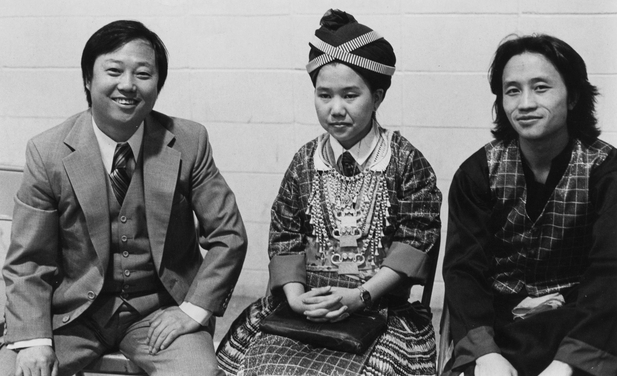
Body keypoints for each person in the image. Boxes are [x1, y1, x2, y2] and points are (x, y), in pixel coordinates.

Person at [0, 20, 247, 376]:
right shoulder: (47, 152)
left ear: (158, 85)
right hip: (71, 316)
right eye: (114, 71)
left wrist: (192, 309)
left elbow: (230, 236)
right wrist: (35, 342)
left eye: (143, 74)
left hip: (160, 315)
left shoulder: (189, 142)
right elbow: (28, 261)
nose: (128, 85)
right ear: (88, 79)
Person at [216, 9, 442, 376]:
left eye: (350, 95)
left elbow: (417, 240)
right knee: (252, 364)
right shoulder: (305, 160)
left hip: (380, 308)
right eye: (325, 95)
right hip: (306, 304)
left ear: (378, 96)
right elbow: (285, 234)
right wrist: (294, 297)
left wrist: (359, 296)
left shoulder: (405, 161)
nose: (336, 109)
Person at [443, 34, 617, 376]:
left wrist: (569, 363)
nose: (525, 104)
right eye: (512, 90)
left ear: (573, 97)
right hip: (499, 326)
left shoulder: (606, 172)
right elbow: (464, 272)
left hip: (585, 324)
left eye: (540, 88)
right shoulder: (476, 174)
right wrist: (485, 354)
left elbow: (611, 273)